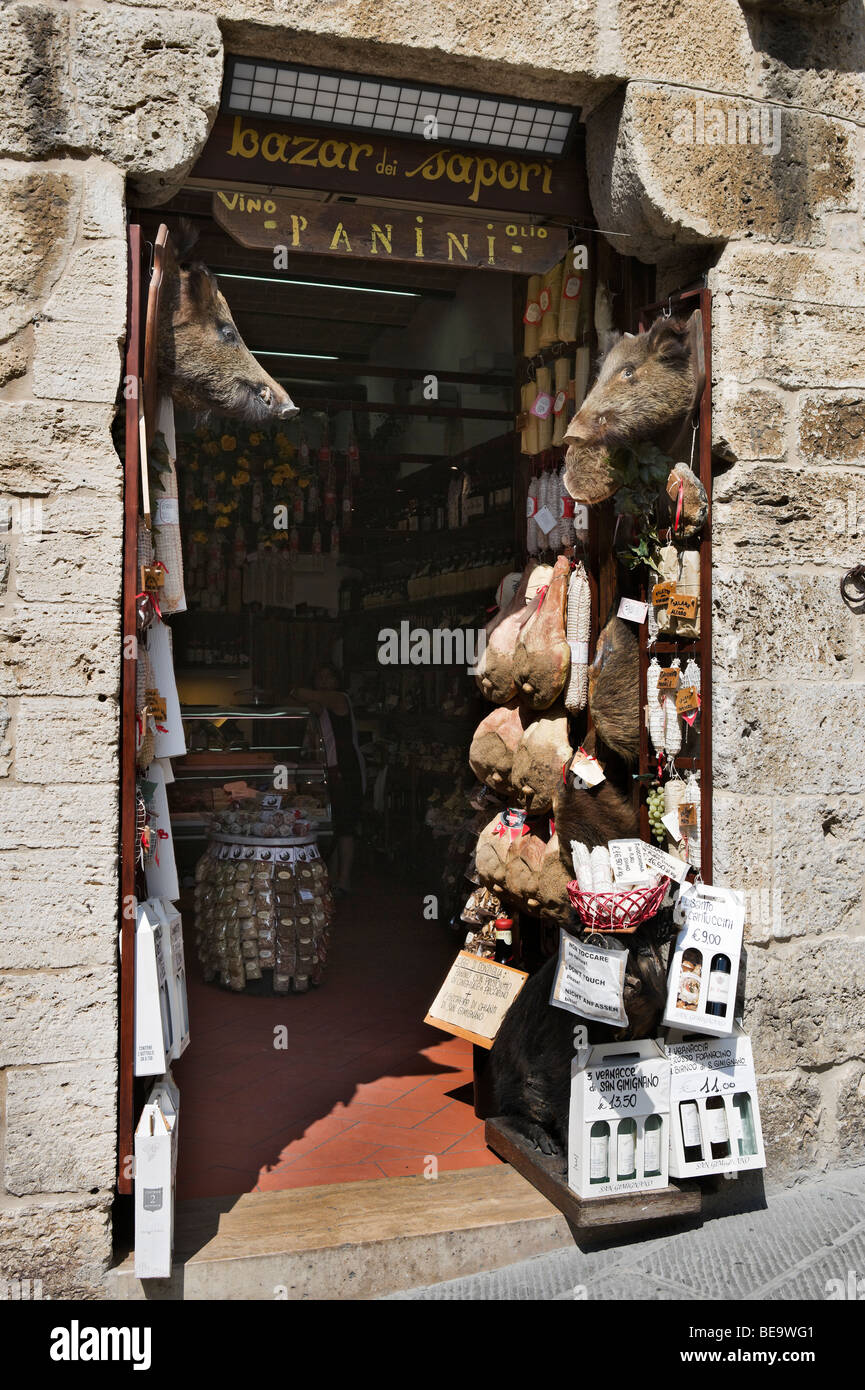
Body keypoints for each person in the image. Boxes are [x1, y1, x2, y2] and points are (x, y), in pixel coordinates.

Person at [288, 666, 365, 897]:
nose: (322, 680)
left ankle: (344, 881)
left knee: (345, 827)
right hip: (329, 770)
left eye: (327, 676)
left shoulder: (338, 698)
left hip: (346, 770)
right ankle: (332, 879)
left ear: (337, 680)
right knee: (335, 824)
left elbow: (301, 694)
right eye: (318, 676)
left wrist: (295, 692)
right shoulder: (324, 703)